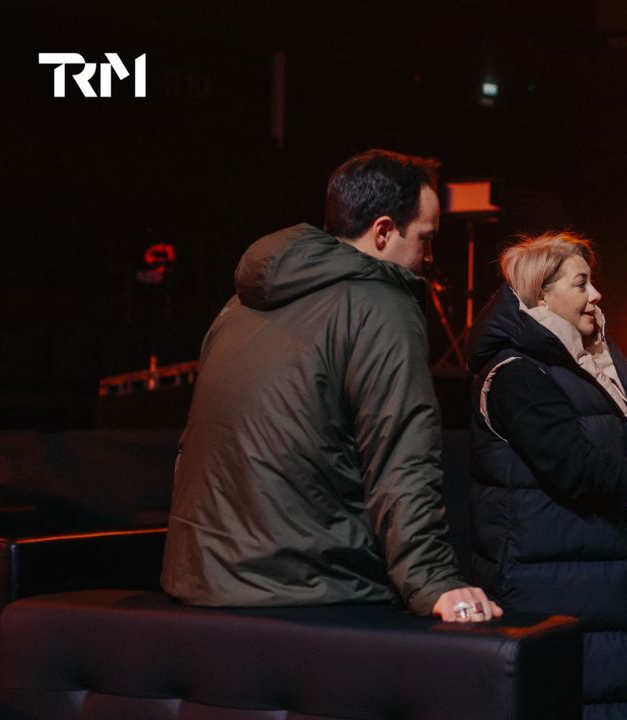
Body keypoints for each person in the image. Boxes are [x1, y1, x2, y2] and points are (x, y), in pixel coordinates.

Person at [162, 149, 500, 624]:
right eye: (425, 238)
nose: (429, 257)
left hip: (201, 582)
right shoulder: (382, 304)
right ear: (383, 231)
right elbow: (400, 453)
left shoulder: (238, 306)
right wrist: (433, 582)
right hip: (314, 590)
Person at [467, 231, 627, 720]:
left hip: (596, 580)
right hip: (554, 589)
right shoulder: (516, 373)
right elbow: (579, 469)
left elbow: (608, 442)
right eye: (581, 284)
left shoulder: (579, 361)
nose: (596, 295)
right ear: (541, 295)